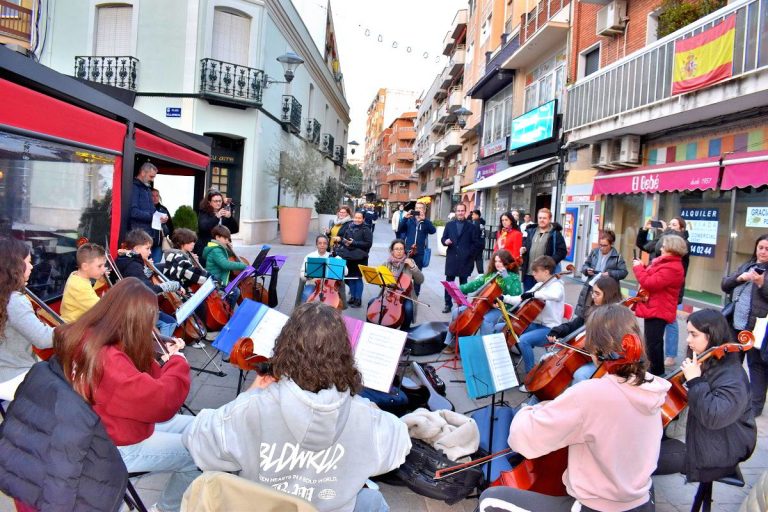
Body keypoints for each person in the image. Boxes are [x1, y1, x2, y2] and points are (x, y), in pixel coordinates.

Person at [183, 302, 411, 512]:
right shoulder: (365, 415)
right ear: (344, 355)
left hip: (265, 507)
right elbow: (400, 448)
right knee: (372, 500)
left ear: (284, 346)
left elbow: (196, 441)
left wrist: (249, 394)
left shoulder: (251, 408)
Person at [478, 304, 670, 512]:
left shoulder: (592, 394)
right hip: (640, 503)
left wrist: (530, 410)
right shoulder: (654, 389)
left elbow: (522, 440)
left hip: (596, 507)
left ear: (597, 350)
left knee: (490, 499)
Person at [54, 277, 199, 512]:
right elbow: (161, 402)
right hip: (113, 444)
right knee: (200, 454)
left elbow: (133, 382)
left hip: (106, 426)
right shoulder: (108, 359)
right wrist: (177, 362)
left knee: (199, 426)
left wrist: (161, 360)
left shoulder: (90, 335)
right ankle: (163, 509)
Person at [656, 309, 756, 484]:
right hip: (698, 434)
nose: (688, 340)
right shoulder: (706, 361)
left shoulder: (733, 375)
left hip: (720, 448)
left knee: (639, 459)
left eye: (694, 334)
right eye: (688, 333)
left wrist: (695, 380)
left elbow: (713, 417)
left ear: (712, 335)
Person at [0, 238, 54, 397]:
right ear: (15, 267)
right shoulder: (14, 299)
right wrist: (72, 330)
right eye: (28, 262)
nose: (31, 266)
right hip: (12, 375)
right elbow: (43, 339)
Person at [721, 234, 768, 417]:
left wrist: (761, 283)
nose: (763, 252)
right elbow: (725, 285)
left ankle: (755, 407)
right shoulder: (747, 265)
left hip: (757, 326)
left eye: (767, 249)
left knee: (757, 366)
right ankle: (731, 395)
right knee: (732, 362)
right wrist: (740, 278)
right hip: (736, 322)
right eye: (761, 247)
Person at [501, 255, 565, 386]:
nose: (533, 274)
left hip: (550, 329)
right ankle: (503, 366)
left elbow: (555, 295)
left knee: (524, 340)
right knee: (502, 328)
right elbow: (521, 298)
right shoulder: (540, 285)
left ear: (546, 272)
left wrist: (534, 294)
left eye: (536, 271)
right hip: (536, 324)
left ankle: (531, 378)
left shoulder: (557, 286)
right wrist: (504, 298)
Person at [547, 275, 623, 385]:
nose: (593, 296)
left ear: (609, 295)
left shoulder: (615, 318)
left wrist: (597, 351)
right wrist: (557, 331)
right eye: (593, 292)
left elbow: (613, 348)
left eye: (597, 294)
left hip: (600, 360)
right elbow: (573, 325)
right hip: (583, 354)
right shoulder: (592, 309)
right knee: (548, 360)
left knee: (580, 374)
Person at [636, 217, 691, 368]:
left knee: (659, 337)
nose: (661, 249)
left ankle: (665, 362)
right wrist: (645, 229)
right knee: (652, 341)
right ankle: (654, 367)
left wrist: (638, 268)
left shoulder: (675, 260)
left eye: (674, 225)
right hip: (656, 303)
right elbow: (645, 245)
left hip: (661, 304)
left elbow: (650, 283)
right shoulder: (664, 258)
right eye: (670, 224)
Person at [443, 249, 522, 350]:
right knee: (456, 312)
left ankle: (487, 349)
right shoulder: (491, 275)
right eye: (496, 261)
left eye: (500, 261)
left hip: (502, 309)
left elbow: (515, 293)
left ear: (507, 262)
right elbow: (473, 285)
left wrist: (506, 276)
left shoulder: (513, 277)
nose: (497, 264)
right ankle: (452, 344)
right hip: (485, 306)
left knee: (486, 320)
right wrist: (456, 289)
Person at [115, 229, 181, 339]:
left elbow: (138, 277)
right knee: (169, 322)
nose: (150, 252)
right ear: (136, 249)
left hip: (132, 304)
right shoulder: (133, 265)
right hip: (135, 309)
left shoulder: (126, 260)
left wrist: (148, 270)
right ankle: (162, 351)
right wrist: (173, 285)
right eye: (147, 248)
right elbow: (149, 290)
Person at [368, 239, 424, 330]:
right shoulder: (386, 264)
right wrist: (382, 283)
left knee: (409, 309)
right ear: (392, 251)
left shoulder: (410, 262)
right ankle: (369, 328)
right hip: (387, 295)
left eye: (401, 249)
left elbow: (420, 280)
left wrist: (413, 267)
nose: (399, 251)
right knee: (371, 302)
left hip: (405, 296)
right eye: (396, 249)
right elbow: (380, 282)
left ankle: (404, 332)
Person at [575, 230, 628, 318]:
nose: (602, 248)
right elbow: (585, 265)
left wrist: (610, 273)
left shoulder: (617, 257)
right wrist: (587, 270)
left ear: (611, 244)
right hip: (591, 286)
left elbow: (623, 272)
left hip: (606, 290)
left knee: (601, 314)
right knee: (586, 311)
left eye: (605, 245)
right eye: (600, 245)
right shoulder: (594, 252)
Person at [441, 203, 483, 313]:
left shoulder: (471, 226)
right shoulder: (449, 225)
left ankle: (462, 305)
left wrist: (470, 254)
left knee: (463, 284)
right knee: (449, 283)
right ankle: (447, 304)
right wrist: (445, 241)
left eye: (462, 210)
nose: (460, 213)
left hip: (465, 260)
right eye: (458, 211)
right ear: (455, 212)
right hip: (452, 258)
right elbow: (443, 238)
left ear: (465, 211)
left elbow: (476, 243)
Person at [520, 208, 567, 291]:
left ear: (549, 219)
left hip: (544, 275)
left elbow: (562, 252)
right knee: (527, 300)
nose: (542, 220)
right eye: (540, 218)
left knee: (541, 301)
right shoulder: (531, 231)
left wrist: (549, 262)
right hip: (529, 273)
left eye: (544, 218)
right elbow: (525, 244)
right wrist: (523, 249)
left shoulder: (555, 233)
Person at [60, 242, 108, 323]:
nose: (103, 269)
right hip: (72, 327)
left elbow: (89, 293)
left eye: (104, 265)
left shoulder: (77, 277)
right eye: (99, 266)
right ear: (85, 266)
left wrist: (100, 281)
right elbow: (100, 309)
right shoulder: (78, 286)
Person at [296, 234, 348, 307]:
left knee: (334, 301)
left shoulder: (332, 256)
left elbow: (345, 272)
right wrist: (308, 276)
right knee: (307, 294)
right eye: (320, 243)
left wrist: (336, 257)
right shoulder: (310, 256)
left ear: (327, 245)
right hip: (313, 284)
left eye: (325, 243)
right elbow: (302, 273)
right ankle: (304, 313)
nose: (322, 245)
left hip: (329, 286)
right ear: (316, 245)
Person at [130, 162, 167, 263]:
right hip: (140, 236)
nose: (152, 179)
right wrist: (153, 217)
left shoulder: (146, 188)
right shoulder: (135, 187)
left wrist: (161, 216)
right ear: (142, 172)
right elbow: (133, 212)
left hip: (149, 235)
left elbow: (151, 210)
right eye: (151, 176)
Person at [203, 225, 247, 309]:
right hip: (216, 279)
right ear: (217, 237)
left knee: (235, 289)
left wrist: (230, 250)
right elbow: (225, 264)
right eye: (225, 238)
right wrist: (243, 265)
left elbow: (225, 256)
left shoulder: (218, 248)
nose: (227, 241)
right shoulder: (216, 250)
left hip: (221, 277)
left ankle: (227, 308)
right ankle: (227, 311)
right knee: (235, 292)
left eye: (228, 239)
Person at [334, 211, 372, 308]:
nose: (357, 220)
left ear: (363, 219)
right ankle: (353, 297)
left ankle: (358, 299)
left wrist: (354, 243)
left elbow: (368, 244)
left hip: (360, 258)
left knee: (358, 278)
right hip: (349, 257)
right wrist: (341, 240)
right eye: (356, 217)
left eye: (359, 218)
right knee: (351, 277)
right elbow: (345, 240)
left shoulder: (366, 229)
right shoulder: (349, 227)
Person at [398, 202, 436, 296]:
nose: (418, 209)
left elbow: (433, 231)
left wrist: (425, 220)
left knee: (417, 274)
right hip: (408, 251)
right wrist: (405, 218)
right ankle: (405, 292)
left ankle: (415, 294)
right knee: (406, 273)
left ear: (424, 210)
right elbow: (400, 229)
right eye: (417, 207)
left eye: (420, 208)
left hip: (420, 252)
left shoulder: (425, 222)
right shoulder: (409, 220)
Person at [196, 189, 239, 262]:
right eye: (215, 201)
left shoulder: (224, 212)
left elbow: (235, 230)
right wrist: (216, 217)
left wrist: (230, 218)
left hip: (223, 247)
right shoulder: (204, 212)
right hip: (208, 247)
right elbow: (203, 228)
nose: (218, 203)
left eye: (220, 201)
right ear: (209, 202)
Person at [471, 209, 487, 275]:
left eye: (473, 214)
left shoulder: (475, 223)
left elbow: (474, 234)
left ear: (477, 215)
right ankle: (481, 273)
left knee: (472, 258)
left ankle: (468, 272)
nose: (472, 216)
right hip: (481, 243)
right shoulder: (481, 223)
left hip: (476, 244)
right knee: (479, 258)